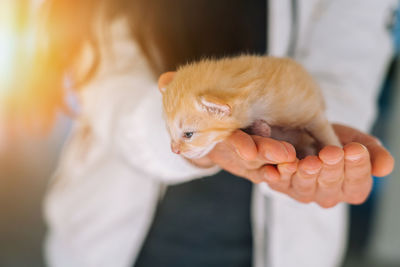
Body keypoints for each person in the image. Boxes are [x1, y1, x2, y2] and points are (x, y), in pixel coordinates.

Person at [36, 0, 396, 267]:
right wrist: (176, 136)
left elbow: (351, 48)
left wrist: (312, 135)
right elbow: (107, 80)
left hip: (283, 244)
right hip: (112, 233)